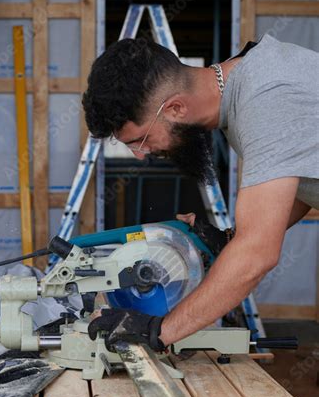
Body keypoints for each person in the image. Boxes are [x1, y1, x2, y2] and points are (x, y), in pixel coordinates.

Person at [83, 35, 319, 351]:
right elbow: (305, 175)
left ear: (176, 108)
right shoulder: (250, 87)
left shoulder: (265, 100)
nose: (141, 155)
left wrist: (160, 330)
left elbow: (257, 254)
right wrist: (229, 240)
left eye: (141, 140)